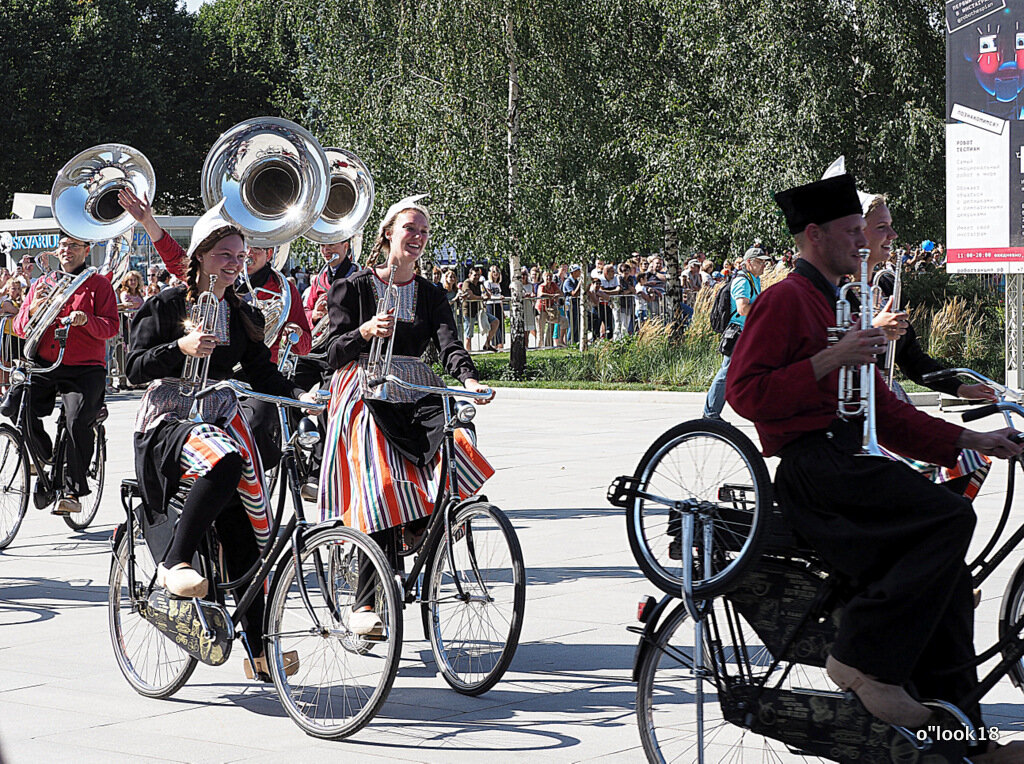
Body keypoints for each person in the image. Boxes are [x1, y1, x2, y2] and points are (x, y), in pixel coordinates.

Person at [726, 173, 1024, 760]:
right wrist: (830, 358)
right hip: (815, 471)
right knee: (947, 519)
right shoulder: (785, 298)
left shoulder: (842, 298)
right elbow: (745, 392)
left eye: (867, 231)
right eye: (852, 231)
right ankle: (859, 658)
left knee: (950, 589)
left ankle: (964, 743)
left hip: (849, 461)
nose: (864, 243)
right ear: (814, 235)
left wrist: (975, 437)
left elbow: (883, 411)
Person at [126, 202, 314, 680]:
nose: (234, 263)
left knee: (246, 532)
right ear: (201, 256)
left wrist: (303, 397)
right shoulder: (169, 304)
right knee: (227, 460)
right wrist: (178, 349)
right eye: (225, 255)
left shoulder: (241, 311)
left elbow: (261, 372)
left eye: (239, 255)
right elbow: (132, 367)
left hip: (214, 421)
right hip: (168, 422)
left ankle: (260, 653)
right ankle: (175, 562)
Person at [317, 196, 493, 635]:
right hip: (363, 386)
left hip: (414, 389)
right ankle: (362, 605)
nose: (417, 237)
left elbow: (449, 343)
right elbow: (330, 353)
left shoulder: (432, 294)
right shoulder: (354, 287)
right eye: (410, 229)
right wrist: (363, 331)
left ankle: (418, 526)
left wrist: (468, 380)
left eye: (423, 232)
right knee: (382, 479)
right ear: (388, 233)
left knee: (459, 442)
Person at [861, 193, 996, 500]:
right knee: (920, 474)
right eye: (882, 226)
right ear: (856, 232)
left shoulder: (883, 286)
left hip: (888, 399)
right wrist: (871, 330)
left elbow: (912, 358)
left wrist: (961, 388)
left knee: (968, 461)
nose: (893, 235)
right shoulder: (839, 292)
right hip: (861, 413)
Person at [12, 233, 119, 514]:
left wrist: (88, 321)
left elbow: (111, 327)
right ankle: (44, 452)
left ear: (86, 250)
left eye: (73, 245)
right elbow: (21, 328)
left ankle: (72, 490)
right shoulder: (42, 283)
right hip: (47, 362)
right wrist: (33, 308)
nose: (66, 250)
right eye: (62, 246)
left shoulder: (98, 284)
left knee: (76, 420)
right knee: (15, 405)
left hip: (85, 368)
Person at [702, 247, 769, 419]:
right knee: (726, 374)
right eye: (759, 261)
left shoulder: (754, 279)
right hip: (738, 333)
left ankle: (760, 408)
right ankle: (710, 414)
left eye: (764, 261)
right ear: (749, 262)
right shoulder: (743, 281)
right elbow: (743, 308)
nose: (763, 265)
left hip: (748, 332)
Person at [561, 264, 583, 344]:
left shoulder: (576, 281)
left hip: (576, 304)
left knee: (576, 324)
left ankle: (576, 341)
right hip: (569, 305)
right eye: (578, 271)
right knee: (572, 324)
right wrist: (580, 284)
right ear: (573, 272)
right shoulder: (568, 281)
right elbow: (574, 293)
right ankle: (570, 341)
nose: (579, 272)